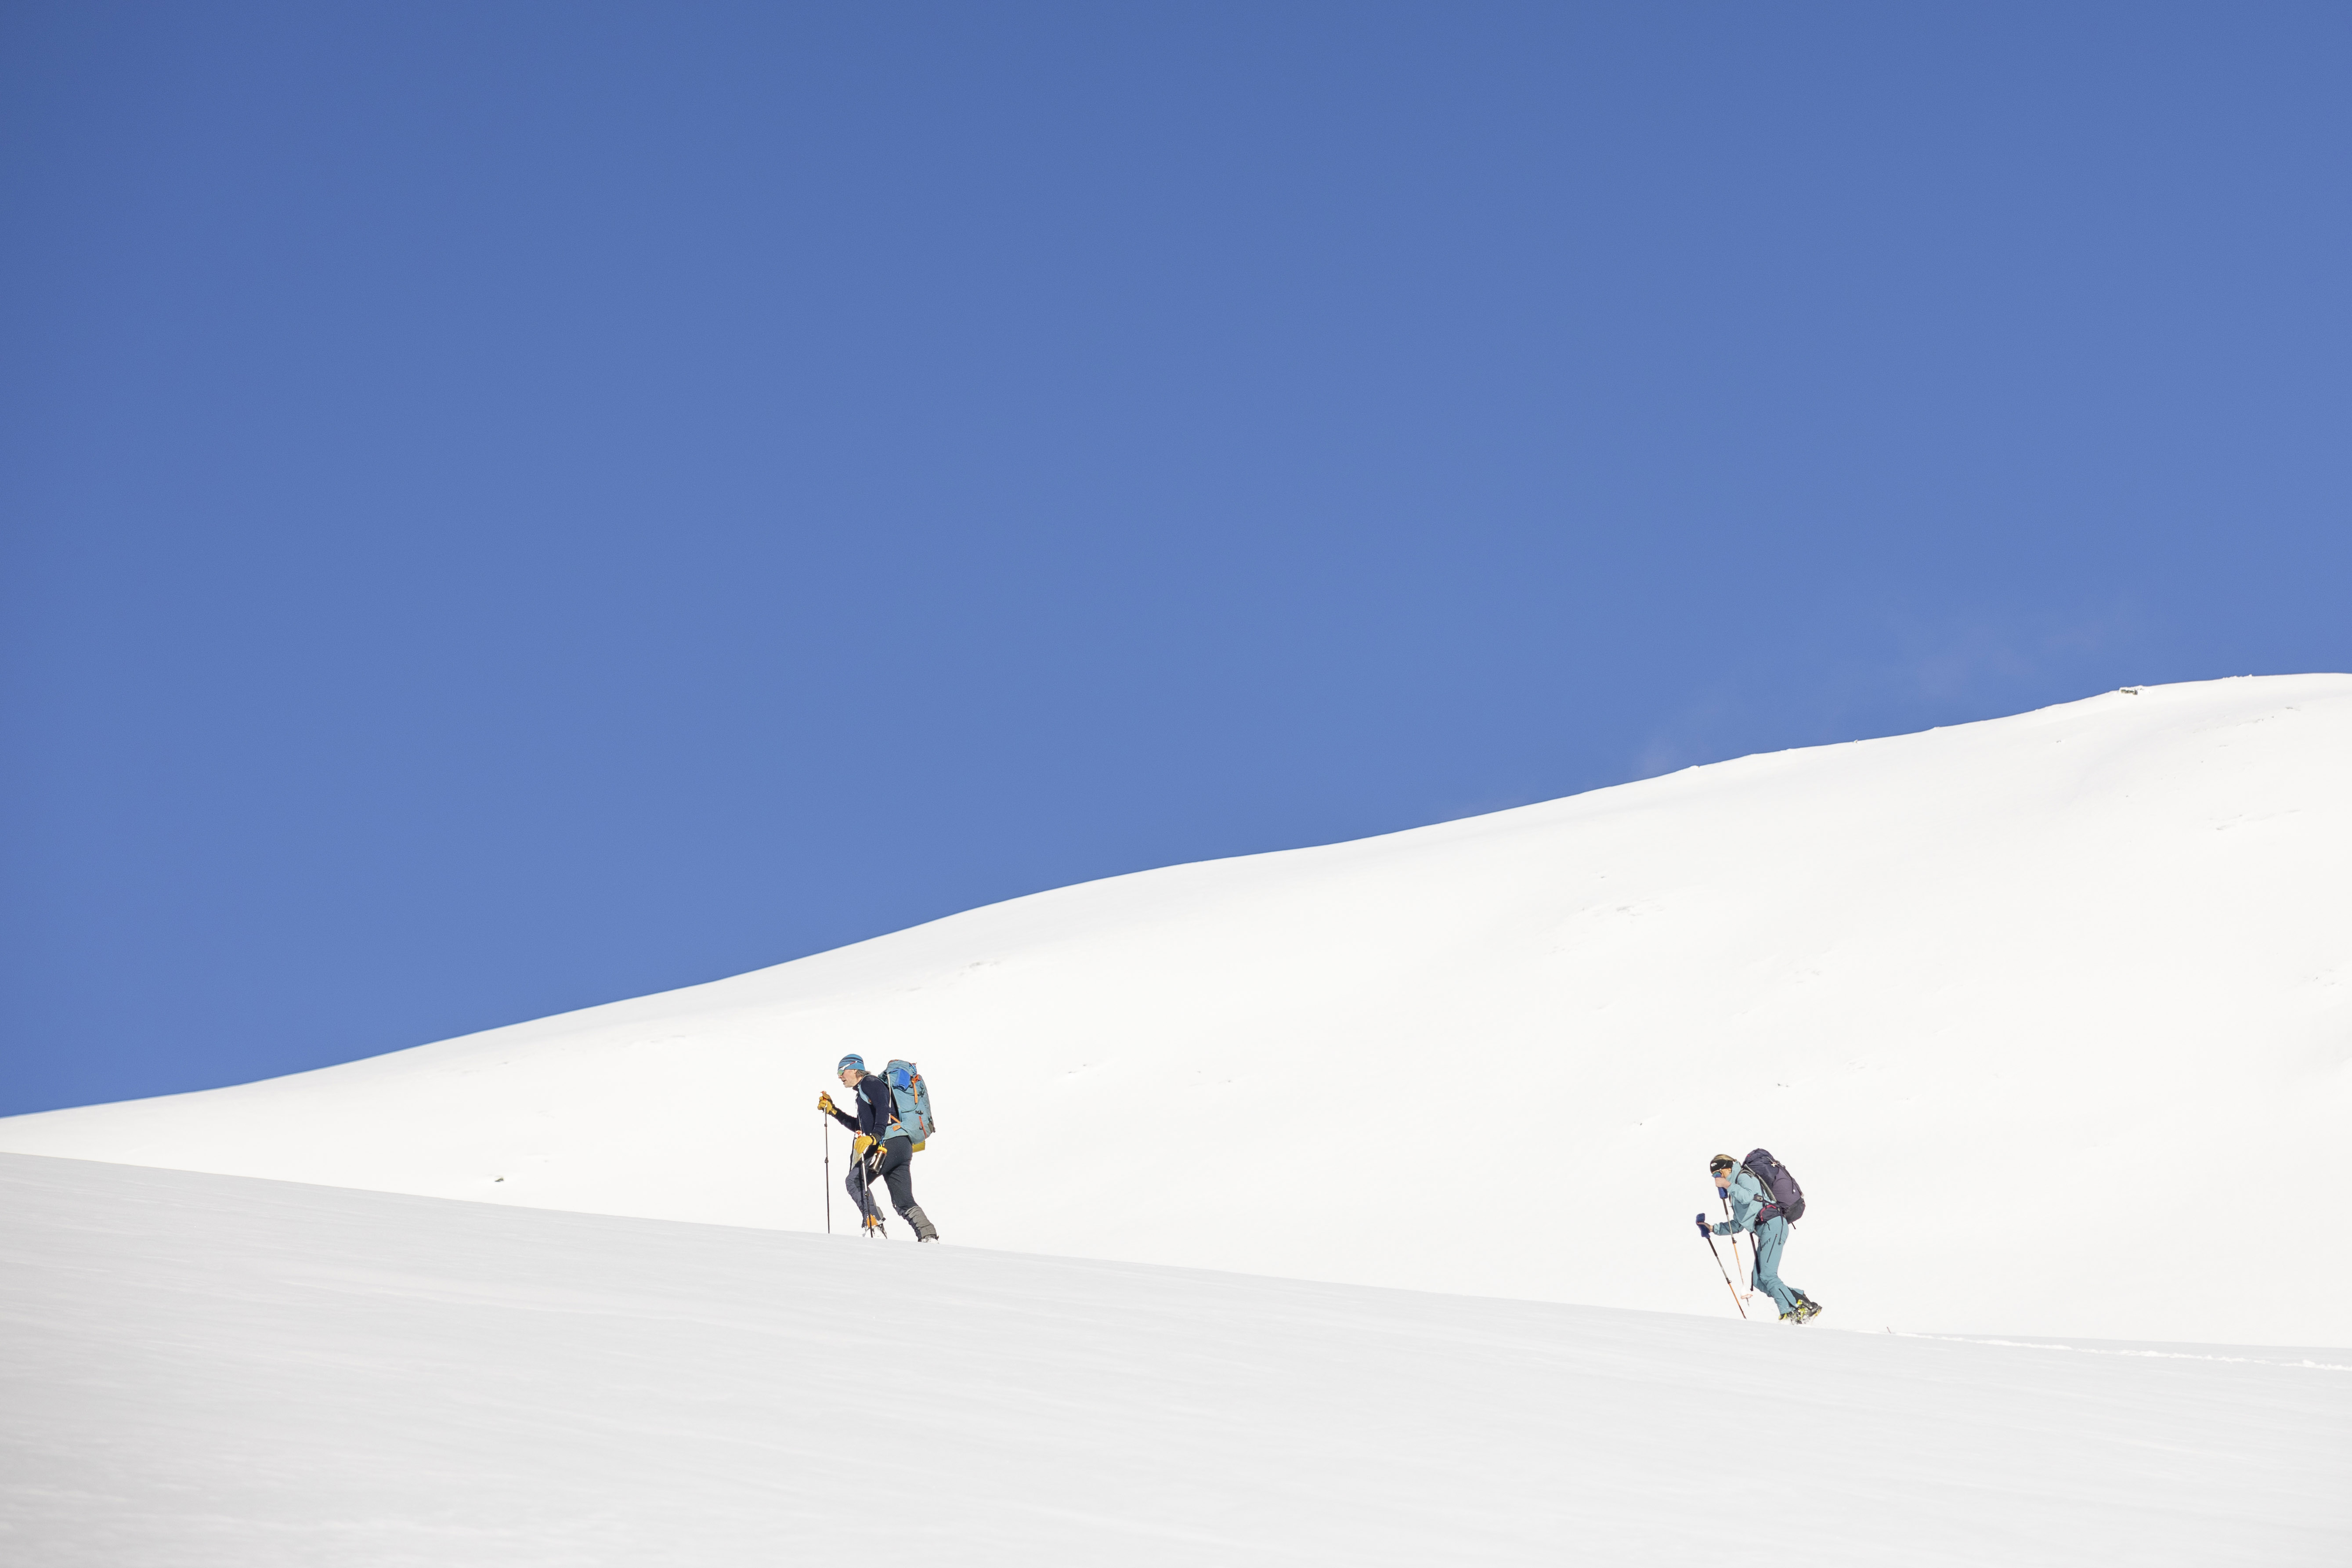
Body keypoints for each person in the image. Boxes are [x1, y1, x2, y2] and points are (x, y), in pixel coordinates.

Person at [819, 1054, 938, 1242]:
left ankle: (874, 1225)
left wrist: (875, 1137)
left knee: (855, 1181)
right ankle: (928, 1236)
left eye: (842, 1072)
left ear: (854, 1069)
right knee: (903, 1201)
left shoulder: (870, 1082)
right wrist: (833, 1111)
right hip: (901, 1146)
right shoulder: (864, 1094)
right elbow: (859, 1125)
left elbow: (884, 1109)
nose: (840, 1077)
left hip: (888, 1144)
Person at [1698, 1152, 1817, 1322]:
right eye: (1714, 1176)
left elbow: (1748, 1196)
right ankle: (1800, 1299)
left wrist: (1727, 1185)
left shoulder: (1744, 1177)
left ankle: (1792, 1311)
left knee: (1768, 1275)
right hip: (1765, 1229)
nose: (1717, 1178)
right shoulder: (1735, 1191)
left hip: (1773, 1225)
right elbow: (1739, 1224)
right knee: (1759, 1280)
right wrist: (1712, 1228)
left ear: (1727, 1168)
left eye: (1718, 1173)